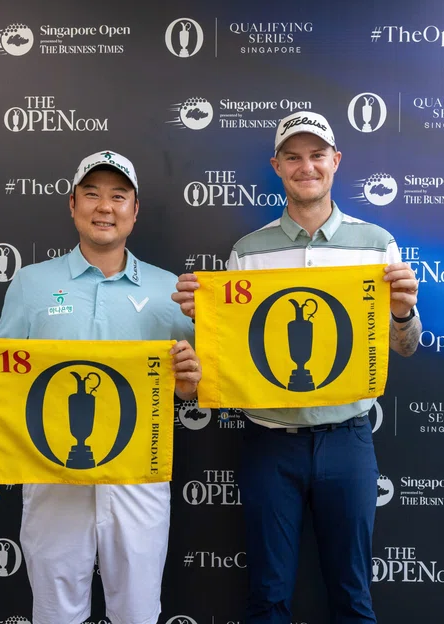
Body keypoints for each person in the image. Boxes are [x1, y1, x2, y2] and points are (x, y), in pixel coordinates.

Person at [0, 150, 200, 624]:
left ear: (135, 212)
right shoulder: (32, 282)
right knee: (56, 613)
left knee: (137, 613)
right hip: (50, 472)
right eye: (92, 194)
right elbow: (5, 379)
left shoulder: (169, 291)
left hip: (138, 474)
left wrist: (189, 383)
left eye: (119, 196)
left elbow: (192, 386)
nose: (105, 206)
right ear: (72, 204)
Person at [172, 112, 421, 623]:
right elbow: (230, 356)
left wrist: (403, 312)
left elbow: (406, 347)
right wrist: (209, 320)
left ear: (335, 162)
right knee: (267, 595)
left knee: (353, 596)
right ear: (277, 166)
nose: (306, 166)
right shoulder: (248, 251)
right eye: (293, 157)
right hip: (269, 441)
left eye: (316, 155)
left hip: (347, 437)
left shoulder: (376, 244)